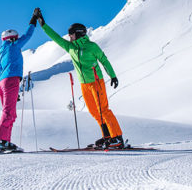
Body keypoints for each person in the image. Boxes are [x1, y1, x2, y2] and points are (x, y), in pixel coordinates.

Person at [34, 8, 126, 149]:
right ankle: (107, 136)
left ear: (78, 34)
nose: (69, 37)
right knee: (95, 112)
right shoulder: (71, 48)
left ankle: (117, 137)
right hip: (84, 84)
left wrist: (112, 75)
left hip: (96, 82)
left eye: (71, 34)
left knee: (103, 110)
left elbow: (104, 60)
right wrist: (43, 24)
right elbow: (56, 38)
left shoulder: (91, 46)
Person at [0, 9, 39, 152]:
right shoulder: (14, 45)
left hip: (2, 82)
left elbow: (0, 69)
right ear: (12, 38)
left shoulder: (3, 51)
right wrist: (34, 19)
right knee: (8, 112)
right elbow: (28, 35)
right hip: (11, 80)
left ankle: (5, 141)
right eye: (16, 37)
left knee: (10, 112)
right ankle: (1, 142)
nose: (18, 39)